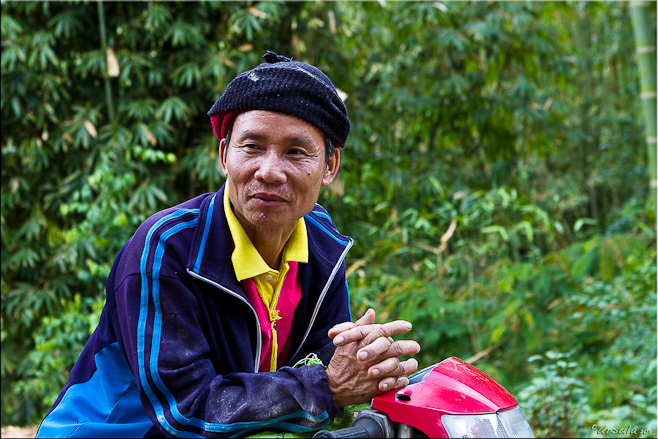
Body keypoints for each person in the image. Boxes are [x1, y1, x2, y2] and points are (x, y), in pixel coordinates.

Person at [37, 50, 420, 438]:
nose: (269, 171)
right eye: (252, 147)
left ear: (330, 166)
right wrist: (329, 386)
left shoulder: (323, 245)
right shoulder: (166, 249)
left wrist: (364, 363)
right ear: (224, 155)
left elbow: (324, 364)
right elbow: (187, 410)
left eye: (296, 152)